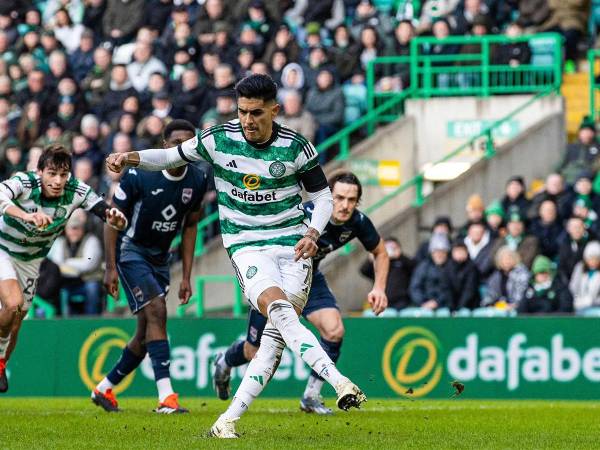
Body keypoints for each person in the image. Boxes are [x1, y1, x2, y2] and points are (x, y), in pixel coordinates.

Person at [105, 74, 366, 438]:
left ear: (274, 110)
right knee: (279, 311)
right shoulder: (218, 140)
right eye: (242, 112)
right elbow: (168, 155)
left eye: (256, 113)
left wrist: (312, 232)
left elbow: (322, 197)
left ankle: (225, 422)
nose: (247, 120)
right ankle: (339, 382)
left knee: (273, 343)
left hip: (293, 245)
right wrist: (128, 156)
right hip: (246, 244)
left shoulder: (296, 147)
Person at [213, 171, 389, 414]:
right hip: (276, 280)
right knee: (253, 350)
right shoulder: (303, 215)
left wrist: (379, 287)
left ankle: (311, 396)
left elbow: (380, 251)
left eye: (351, 200)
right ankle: (225, 361)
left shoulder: (357, 222)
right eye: (339, 198)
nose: (345, 205)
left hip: (309, 279)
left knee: (334, 330)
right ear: (328, 196)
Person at [92, 120, 207, 414]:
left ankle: (104, 388)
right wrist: (109, 267)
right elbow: (112, 218)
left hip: (161, 259)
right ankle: (166, 398)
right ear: (164, 145)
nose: (183, 149)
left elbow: (191, 226)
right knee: (157, 311)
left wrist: (187, 276)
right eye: (176, 143)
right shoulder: (138, 174)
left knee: (145, 334)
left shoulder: (198, 178)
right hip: (132, 252)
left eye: (189, 144)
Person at [0, 144, 127, 393]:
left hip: (31, 261)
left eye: (63, 174)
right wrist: (26, 216)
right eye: (51, 173)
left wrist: (115, 217)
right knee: (12, 304)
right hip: (2, 248)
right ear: (39, 172)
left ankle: (1, 363)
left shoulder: (76, 190)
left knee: (17, 320)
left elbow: (103, 210)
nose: (58, 181)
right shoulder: (24, 183)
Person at [47, 210, 104, 315]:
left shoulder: (91, 240)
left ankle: (92, 321)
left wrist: (67, 263)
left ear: (82, 229)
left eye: (77, 228)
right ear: (66, 230)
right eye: (71, 228)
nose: (74, 232)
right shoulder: (61, 242)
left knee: (92, 287)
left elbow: (88, 264)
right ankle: (66, 322)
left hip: (87, 280)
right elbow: (56, 264)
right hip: (68, 282)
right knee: (57, 290)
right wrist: (72, 264)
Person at [360, 236, 414, 310]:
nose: (390, 250)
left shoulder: (402, 261)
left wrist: (400, 256)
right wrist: (372, 259)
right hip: (381, 299)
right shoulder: (378, 263)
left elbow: (414, 268)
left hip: (401, 301)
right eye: (387, 247)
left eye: (393, 247)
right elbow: (364, 271)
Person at [409, 233, 453, 311]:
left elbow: (451, 289)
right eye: (436, 251)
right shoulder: (423, 267)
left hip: (445, 306)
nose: (439, 254)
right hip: (424, 305)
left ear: (447, 253)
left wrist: (437, 302)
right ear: (431, 253)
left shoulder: (451, 267)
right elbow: (415, 287)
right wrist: (423, 302)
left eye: (442, 251)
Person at [569, 241, 600, 314]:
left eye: (596, 258)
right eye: (590, 258)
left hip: (597, 308)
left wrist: (592, 301)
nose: (593, 261)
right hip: (579, 306)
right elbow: (573, 288)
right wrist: (579, 301)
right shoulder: (579, 269)